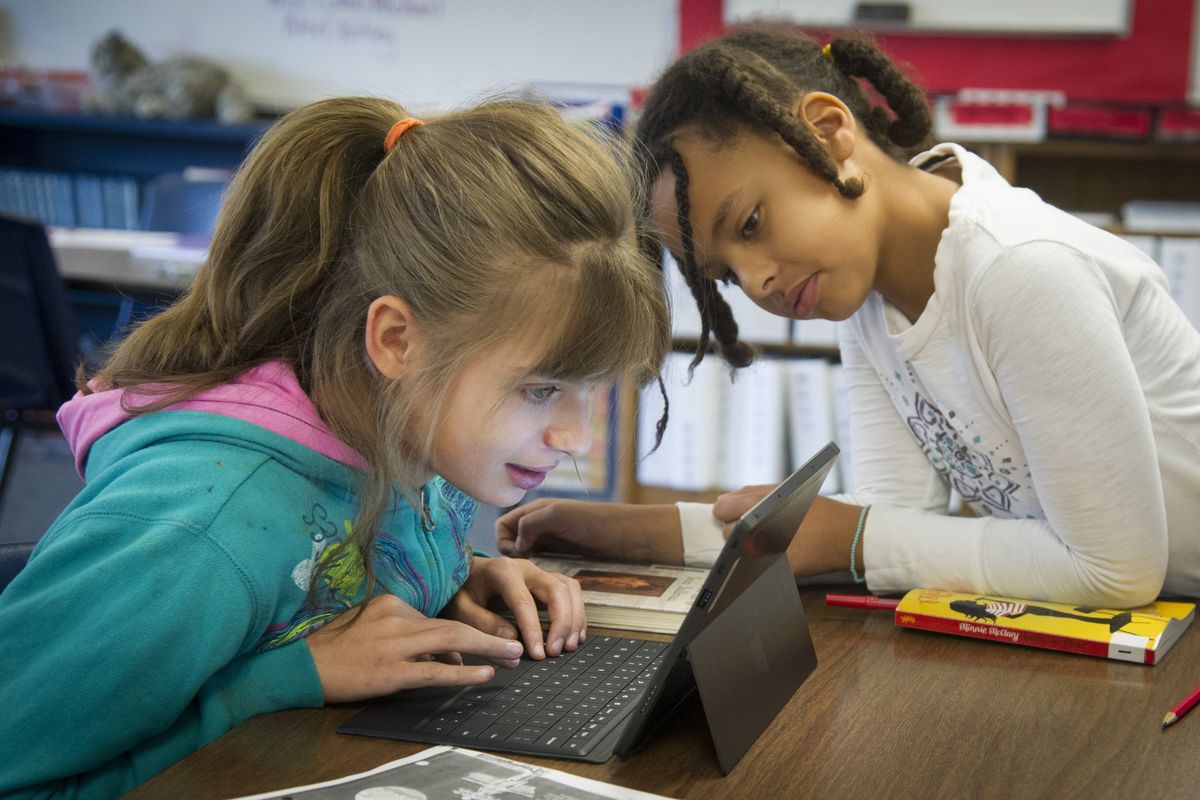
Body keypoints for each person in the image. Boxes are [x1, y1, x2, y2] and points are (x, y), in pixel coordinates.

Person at [0, 96, 670, 798]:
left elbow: (335, 562)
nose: (577, 437)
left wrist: (453, 579)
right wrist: (275, 686)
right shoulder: (197, 533)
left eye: (591, 390)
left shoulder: (403, 436)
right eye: (540, 390)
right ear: (396, 342)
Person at [497, 28, 1200, 609]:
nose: (758, 280)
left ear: (829, 132)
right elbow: (888, 517)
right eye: (726, 276)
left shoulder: (1019, 269)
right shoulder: (866, 303)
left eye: (749, 222)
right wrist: (618, 531)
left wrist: (854, 538)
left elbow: (1115, 570)